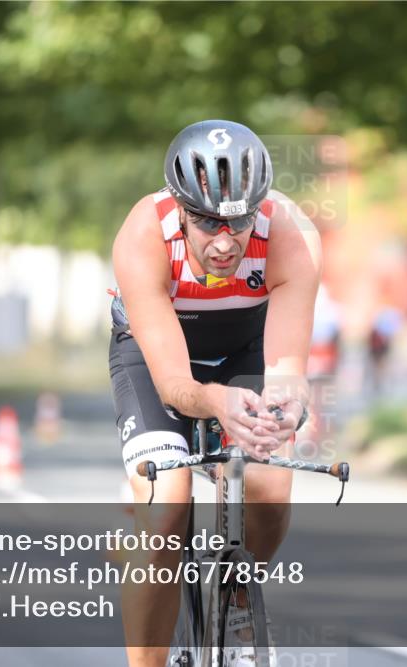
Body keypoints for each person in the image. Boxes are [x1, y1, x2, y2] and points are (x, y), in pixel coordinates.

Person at [108, 119, 320, 667]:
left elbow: (287, 372)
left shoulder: (289, 234)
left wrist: (286, 412)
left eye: (238, 221)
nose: (225, 242)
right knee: (167, 509)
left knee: (270, 484)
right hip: (158, 357)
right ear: (179, 208)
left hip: (244, 349)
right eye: (205, 222)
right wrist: (217, 402)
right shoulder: (143, 234)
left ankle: (239, 590)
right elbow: (176, 385)